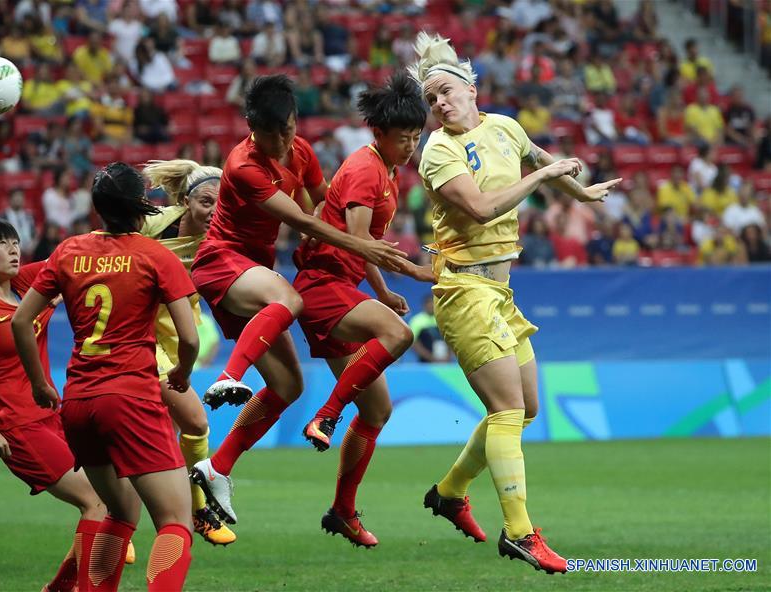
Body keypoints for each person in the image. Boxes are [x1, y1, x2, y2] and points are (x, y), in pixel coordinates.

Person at [410, 33, 620, 574]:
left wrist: (581, 191)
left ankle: (451, 492)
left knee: (527, 408)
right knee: (506, 411)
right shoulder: (439, 150)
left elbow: (538, 154)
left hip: (500, 291)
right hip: (463, 289)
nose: (439, 103)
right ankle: (521, 533)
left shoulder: (503, 126)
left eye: (446, 91)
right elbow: (480, 209)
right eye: (430, 99)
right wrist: (545, 177)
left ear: (470, 88)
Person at [187, 75, 407, 526]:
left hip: (256, 274)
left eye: (288, 128)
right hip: (223, 261)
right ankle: (228, 376)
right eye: (273, 133)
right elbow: (299, 220)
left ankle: (216, 468)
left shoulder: (301, 150)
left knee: (288, 387)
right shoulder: (243, 165)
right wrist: (362, 245)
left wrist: (349, 208)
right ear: (252, 126)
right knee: (289, 298)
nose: (283, 140)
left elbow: (314, 211)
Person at [13, 163, 198, 592]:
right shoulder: (156, 256)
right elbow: (188, 338)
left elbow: (22, 321)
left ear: (97, 208)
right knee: (175, 520)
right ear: (142, 209)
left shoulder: (66, 251)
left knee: (118, 515)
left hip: (78, 402)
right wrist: (183, 375)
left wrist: (41, 383)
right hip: (130, 397)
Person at [0, 218, 134, 592]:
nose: (14, 249)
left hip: (56, 416)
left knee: (112, 498)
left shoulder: (23, 287)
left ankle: (59, 589)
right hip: (20, 428)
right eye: (2, 243)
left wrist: (115, 230)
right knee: (97, 502)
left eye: (15, 241)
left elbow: (70, 261)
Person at [292, 73, 433, 547]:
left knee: (377, 409)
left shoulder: (388, 171)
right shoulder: (365, 169)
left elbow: (362, 249)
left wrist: (381, 288)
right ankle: (327, 415)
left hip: (342, 283)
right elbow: (357, 240)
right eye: (403, 138)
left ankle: (342, 511)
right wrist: (411, 273)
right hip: (322, 286)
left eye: (416, 136)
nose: (410, 145)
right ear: (379, 134)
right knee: (399, 334)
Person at [140, 158, 237, 547]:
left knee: (166, 432)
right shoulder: (154, 224)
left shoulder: (223, 239)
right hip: (136, 336)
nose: (213, 211)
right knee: (194, 422)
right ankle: (198, 508)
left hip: (173, 339)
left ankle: (110, 525)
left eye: (221, 202)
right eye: (205, 202)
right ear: (187, 201)